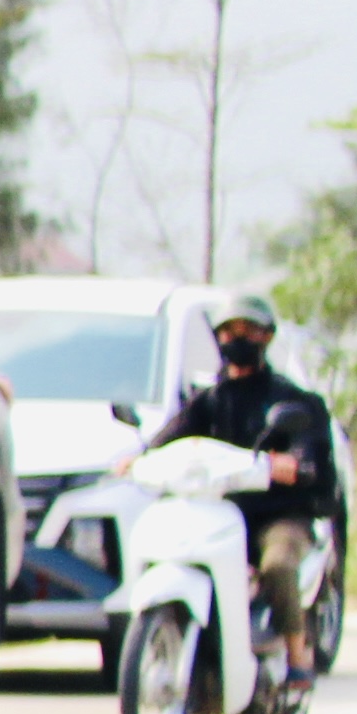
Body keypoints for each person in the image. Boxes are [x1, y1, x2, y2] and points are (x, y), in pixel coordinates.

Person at [140, 290, 344, 687]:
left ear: (267, 338)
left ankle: (297, 650)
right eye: (229, 332)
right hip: (221, 514)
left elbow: (309, 456)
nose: (237, 339)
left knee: (278, 566)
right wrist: (138, 459)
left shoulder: (294, 400)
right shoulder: (209, 401)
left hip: (279, 517)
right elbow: (169, 438)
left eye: (248, 331)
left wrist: (295, 466)